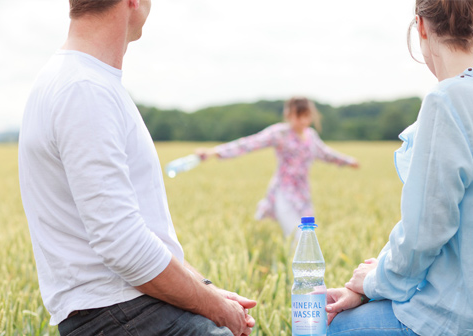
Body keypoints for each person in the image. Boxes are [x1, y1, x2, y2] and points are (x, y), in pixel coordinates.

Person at [18, 1, 255, 335]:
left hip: (127, 310)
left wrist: (206, 287)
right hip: (124, 315)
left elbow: (139, 228)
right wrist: (218, 309)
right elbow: (123, 245)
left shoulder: (79, 80)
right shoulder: (85, 90)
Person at [323, 0, 473, 335]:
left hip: (461, 318)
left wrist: (371, 284)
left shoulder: (445, 101)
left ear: (421, 26)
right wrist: (372, 283)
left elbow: (425, 232)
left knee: (327, 327)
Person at [196, 97, 359, 240]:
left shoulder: (311, 136)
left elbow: (326, 153)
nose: (303, 121)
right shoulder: (280, 133)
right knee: (296, 235)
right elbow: (249, 143)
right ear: (289, 115)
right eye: (298, 116)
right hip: (284, 191)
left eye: (306, 116)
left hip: (303, 193)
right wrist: (212, 152)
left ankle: (292, 268)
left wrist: (348, 161)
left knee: (307, 236)